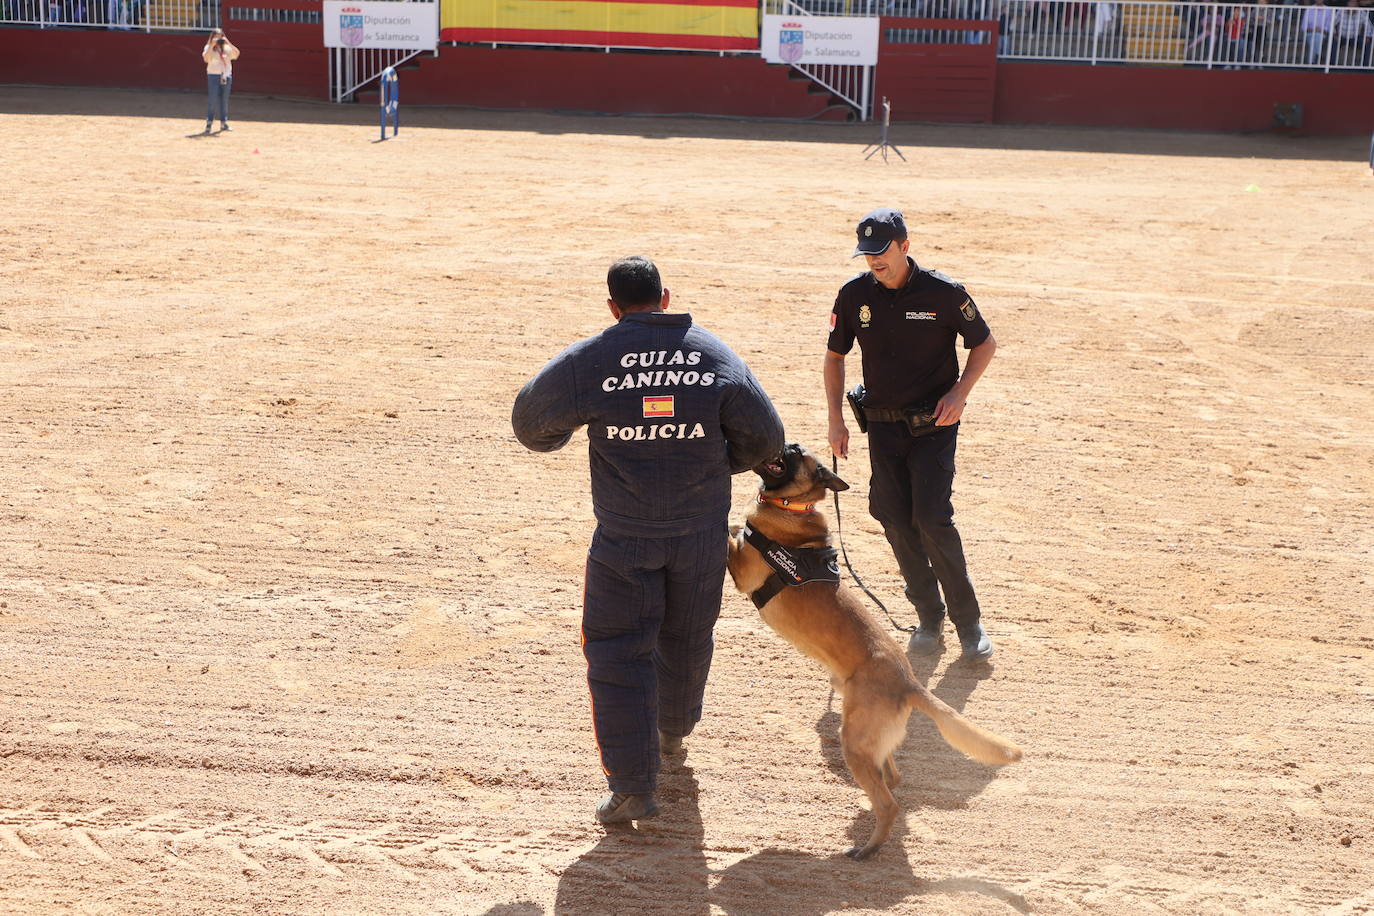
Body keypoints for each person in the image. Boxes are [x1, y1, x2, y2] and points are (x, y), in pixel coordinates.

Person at [512, 256, 784, 825]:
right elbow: (766, 439)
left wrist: (579, 436)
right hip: (700, 532)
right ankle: (673, 734)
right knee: (686, 635)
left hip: (626, 535)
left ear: (613, 306)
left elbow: (530, 423)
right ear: (665, 297)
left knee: (617, 652)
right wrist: (713, 464)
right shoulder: (713, 354)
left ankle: (634, 787)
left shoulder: (593, 359)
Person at [824, 208, 997, 661]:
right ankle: (928, 616)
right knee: (895, 518)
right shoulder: (854, 295)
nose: (874, 261)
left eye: (881, 252)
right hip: (882, 425)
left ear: (904, 245)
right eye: (867, 254)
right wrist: (835, 421)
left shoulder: (945, 293)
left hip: (934, 426)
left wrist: (960, 394)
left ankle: (968, 623)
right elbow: (835, 357)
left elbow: (984, 343)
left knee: (932, 518)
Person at [201, 28, 240, 133]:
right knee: (212, 100)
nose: (218, 39)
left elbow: (236, 54)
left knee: (224, 100)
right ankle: (209, 122)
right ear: (212, 37)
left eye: (220, 36)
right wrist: (211, 45)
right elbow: (205, 58)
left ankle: (224, 122)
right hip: (213, 75)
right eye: (216, 37)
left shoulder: (227, 48)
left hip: (226, 75)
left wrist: (228, 42)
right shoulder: (209, 47)